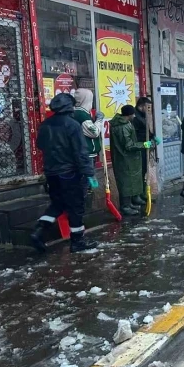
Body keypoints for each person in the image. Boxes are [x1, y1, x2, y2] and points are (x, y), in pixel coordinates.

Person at [30, 93, 99, 253]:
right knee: (75, 207)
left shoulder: (45, 125)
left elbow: (40, 145)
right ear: (70, 107)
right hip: (70, 173)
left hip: (51, 173)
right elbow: (81, 152)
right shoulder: (72, 125)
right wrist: (89, 173)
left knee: (58, 203)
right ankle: (77, 241)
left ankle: (39, 230)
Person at [110, 105, 153, 215]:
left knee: (130, 181)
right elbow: (128, 145)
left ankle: (129, 203)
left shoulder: (126, 124)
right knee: (126, 182)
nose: (134, 116)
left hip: (128, 158)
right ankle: (125, 206)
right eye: (132, 114)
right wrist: (143, 144)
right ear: (128, 115)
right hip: (124, 158)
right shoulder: (122, 127)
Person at [133, 96, 156, 199]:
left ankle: (143, 193)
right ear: (141, 106)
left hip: (144, 146)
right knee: (139, 171)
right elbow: (136, 134)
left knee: (144, 171)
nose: (149, 110)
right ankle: (138, 195)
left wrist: (153, 137)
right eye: (148, 107)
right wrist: (145, 143)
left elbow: (146, 130)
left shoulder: (143, 116)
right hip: (139, 148)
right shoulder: (135, 117)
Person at [72, 88, 103, 164]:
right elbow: (94, 132)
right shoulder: (81, 114)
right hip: (86, 154)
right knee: (88, 175)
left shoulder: (77, 112)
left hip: (83, 153)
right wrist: (99, 120)